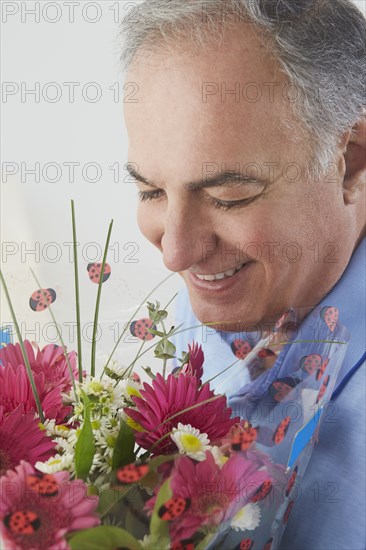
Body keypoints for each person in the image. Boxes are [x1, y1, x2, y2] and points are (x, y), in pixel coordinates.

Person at [120, 1, 366, 548]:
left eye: (229, 197)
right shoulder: (213, 296)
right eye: (151, 192)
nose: (177, 255)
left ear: (349, 162)